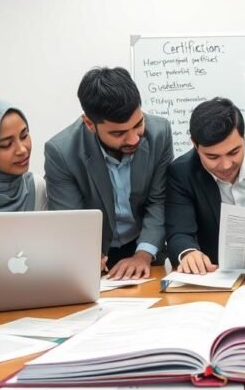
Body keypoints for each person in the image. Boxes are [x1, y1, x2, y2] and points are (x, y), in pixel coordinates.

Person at [44, 67, 173, 279]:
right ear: (89, 124)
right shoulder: (61, 152)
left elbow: (159, 201)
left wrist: (143, 255)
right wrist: (86, 254)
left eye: (138, 124)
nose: (133, 139)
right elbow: (71, 219)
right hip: (95, 254)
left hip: (145, 247)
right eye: (118, 133)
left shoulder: (160, 133)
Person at [166, 98, 245, 274]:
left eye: (234, 152)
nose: (226, 165)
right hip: (213, 273)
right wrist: (189, 253)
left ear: (243, 138)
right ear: (194, 144)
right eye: (213, 157)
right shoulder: (181, 172)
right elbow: (179, 232)